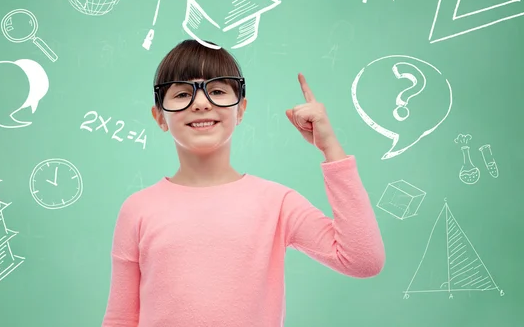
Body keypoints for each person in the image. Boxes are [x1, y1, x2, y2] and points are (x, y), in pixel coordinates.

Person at [102, 39, 385, 327]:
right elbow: (121, 317)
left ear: (241, 109)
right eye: (183, 93)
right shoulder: (137, 209)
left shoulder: (277, 203)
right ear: (160, 116)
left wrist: (331, 149)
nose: (201, 103)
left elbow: (363, 261)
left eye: (217, 91)